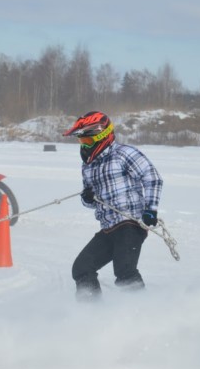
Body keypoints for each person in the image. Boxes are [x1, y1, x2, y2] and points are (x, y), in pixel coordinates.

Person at [64, 111, 163, 299]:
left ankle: (144, 310)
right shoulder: (88, 166)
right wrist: (88, 198)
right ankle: (91, 311)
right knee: (82, 268)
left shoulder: (124, 153)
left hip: (130, 224)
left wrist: (151, 210)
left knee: (125, 271)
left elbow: (152, 178)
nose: (84, 145)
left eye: (87, 141)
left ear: (101, 136)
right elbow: (90, 202)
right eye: (82, 141)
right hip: (109, 228)